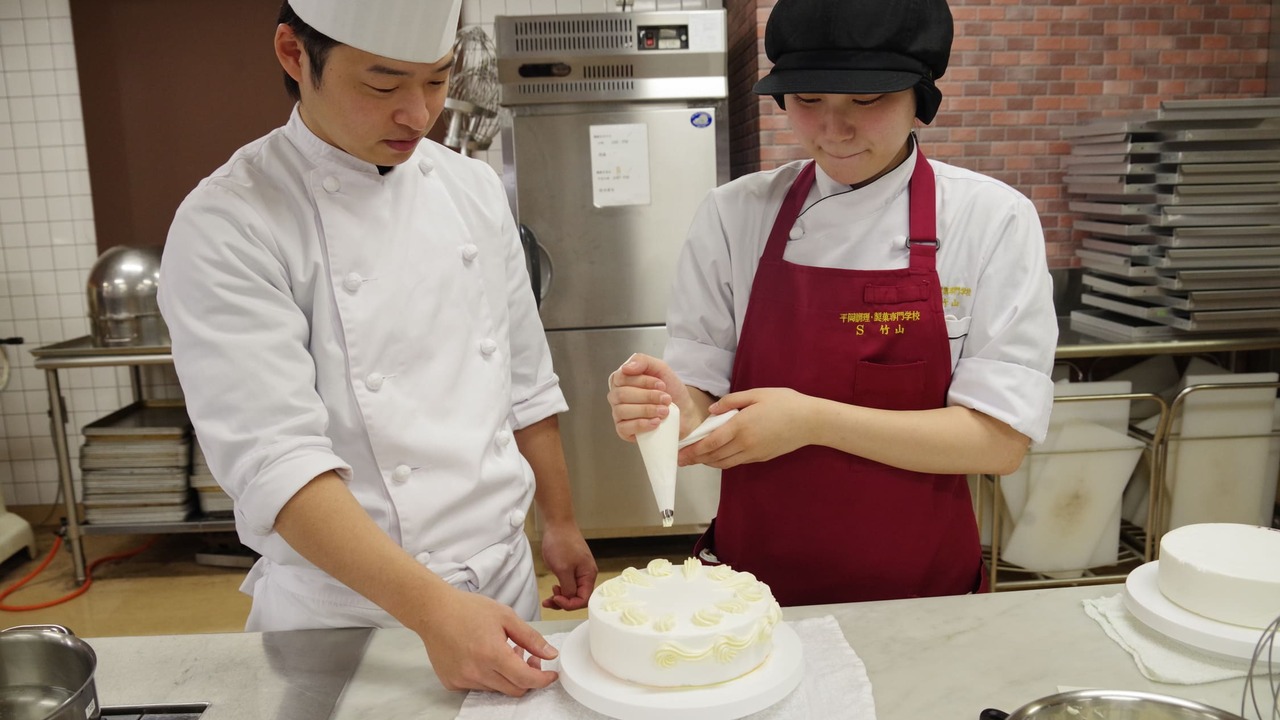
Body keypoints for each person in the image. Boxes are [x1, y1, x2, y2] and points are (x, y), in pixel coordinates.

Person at [158, 0, 597, 696]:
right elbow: (278, 463)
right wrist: (432, 610)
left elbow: (522, 377)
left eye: (436, 79)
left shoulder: (473, 189)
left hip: (502, 583)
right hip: (344, 611)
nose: (418, 115)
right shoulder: (228, 222)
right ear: (294, 55)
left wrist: (561, 521)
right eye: (383, 84)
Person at [607, 0, 1057, 606]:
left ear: (920, 99)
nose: (832, 130)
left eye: (866, 103)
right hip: (751, 591)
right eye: (808, 101)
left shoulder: (990, 218)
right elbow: (700, 395)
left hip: (919, 590)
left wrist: (813, 422)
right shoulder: (736, 213)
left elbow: (998, 443)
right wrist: (669, 409)